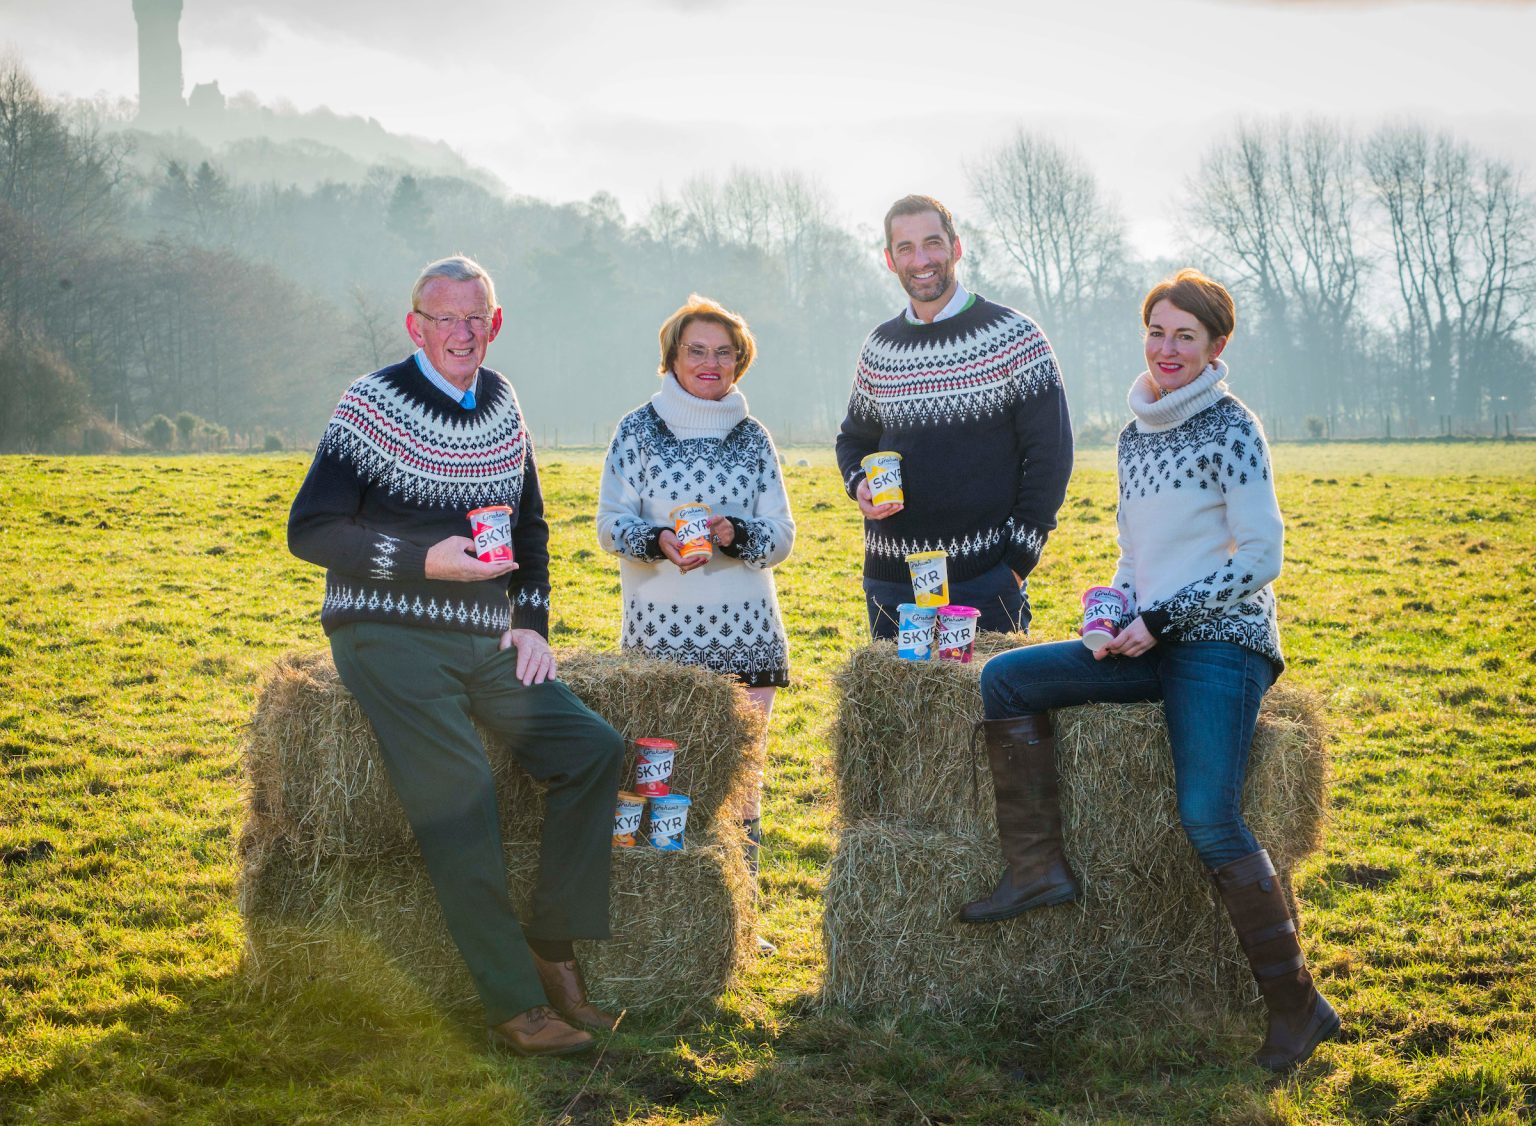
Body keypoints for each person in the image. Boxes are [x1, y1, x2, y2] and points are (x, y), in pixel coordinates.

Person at [968, 269, 1340, 1073]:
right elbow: (1139, 555)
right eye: (1157, 332)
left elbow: (1261, 556)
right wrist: (1112, 607)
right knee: (1007, 681)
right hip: (1146, 636)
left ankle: (1297, 1007)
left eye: (1185, 337)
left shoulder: (1232, 427)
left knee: (1207, 814)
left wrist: (1161, 619)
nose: (1167, 349)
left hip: (1221, 644)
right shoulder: (1136, 435)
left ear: (1215, 349)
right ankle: (1037, 872)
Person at [288, 255, 625, 1058]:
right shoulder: (370, 404)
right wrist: (421, 562)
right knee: (463, 793)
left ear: (495, 323)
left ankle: (553, 946)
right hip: (387, 632)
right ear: (416, 326)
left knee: (593, 751)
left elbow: (532, 528)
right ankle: (513, 1006)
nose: (462, 333)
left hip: (484, 638)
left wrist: (533, 621)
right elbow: (311, 530)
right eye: (445, 319)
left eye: (476, 317)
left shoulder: (504, 404)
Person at [596, 294, 794, 953]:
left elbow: (783, 536)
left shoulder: (753, 436)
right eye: (696, 350)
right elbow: (609, 524)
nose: (710, 363)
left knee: (740, 789)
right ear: (672, 358)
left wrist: (735, 532)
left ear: (741, 360)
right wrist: (658, 541)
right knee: (659, 780)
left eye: (724, 352)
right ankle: (658, 926)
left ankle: (739, 924)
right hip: (660, 643)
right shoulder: (638, 429)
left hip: (748, 638)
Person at [835, 194, 1073, 640]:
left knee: (990, 709)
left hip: (983, 578)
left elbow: (1051, 457)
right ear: (889, 259)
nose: (921, 260)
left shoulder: (1016, 338)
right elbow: (853, 440)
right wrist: (859, 484)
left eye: (932, 243)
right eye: (905, 248)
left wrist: (1016, 566)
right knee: (896, 709)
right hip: (893, 577)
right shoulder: (879, 348)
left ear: (956, 247)